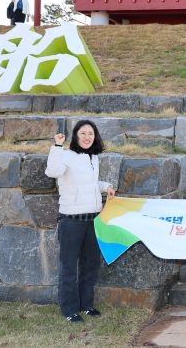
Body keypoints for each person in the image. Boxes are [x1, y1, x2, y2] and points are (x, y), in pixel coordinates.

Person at [45, 120, 115, 322]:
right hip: (71, 221)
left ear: (95, 137)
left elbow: (89, 184)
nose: (87, 137)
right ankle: (70, 310)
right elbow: (53, 172)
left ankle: (86, 305)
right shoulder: (66, 155)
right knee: (68, 267)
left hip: (93, 219)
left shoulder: (93, 157)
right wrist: (57, 146)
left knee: (90, 264)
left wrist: (106, 186)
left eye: (90, 133)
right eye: (83, 133)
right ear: (76, 135)